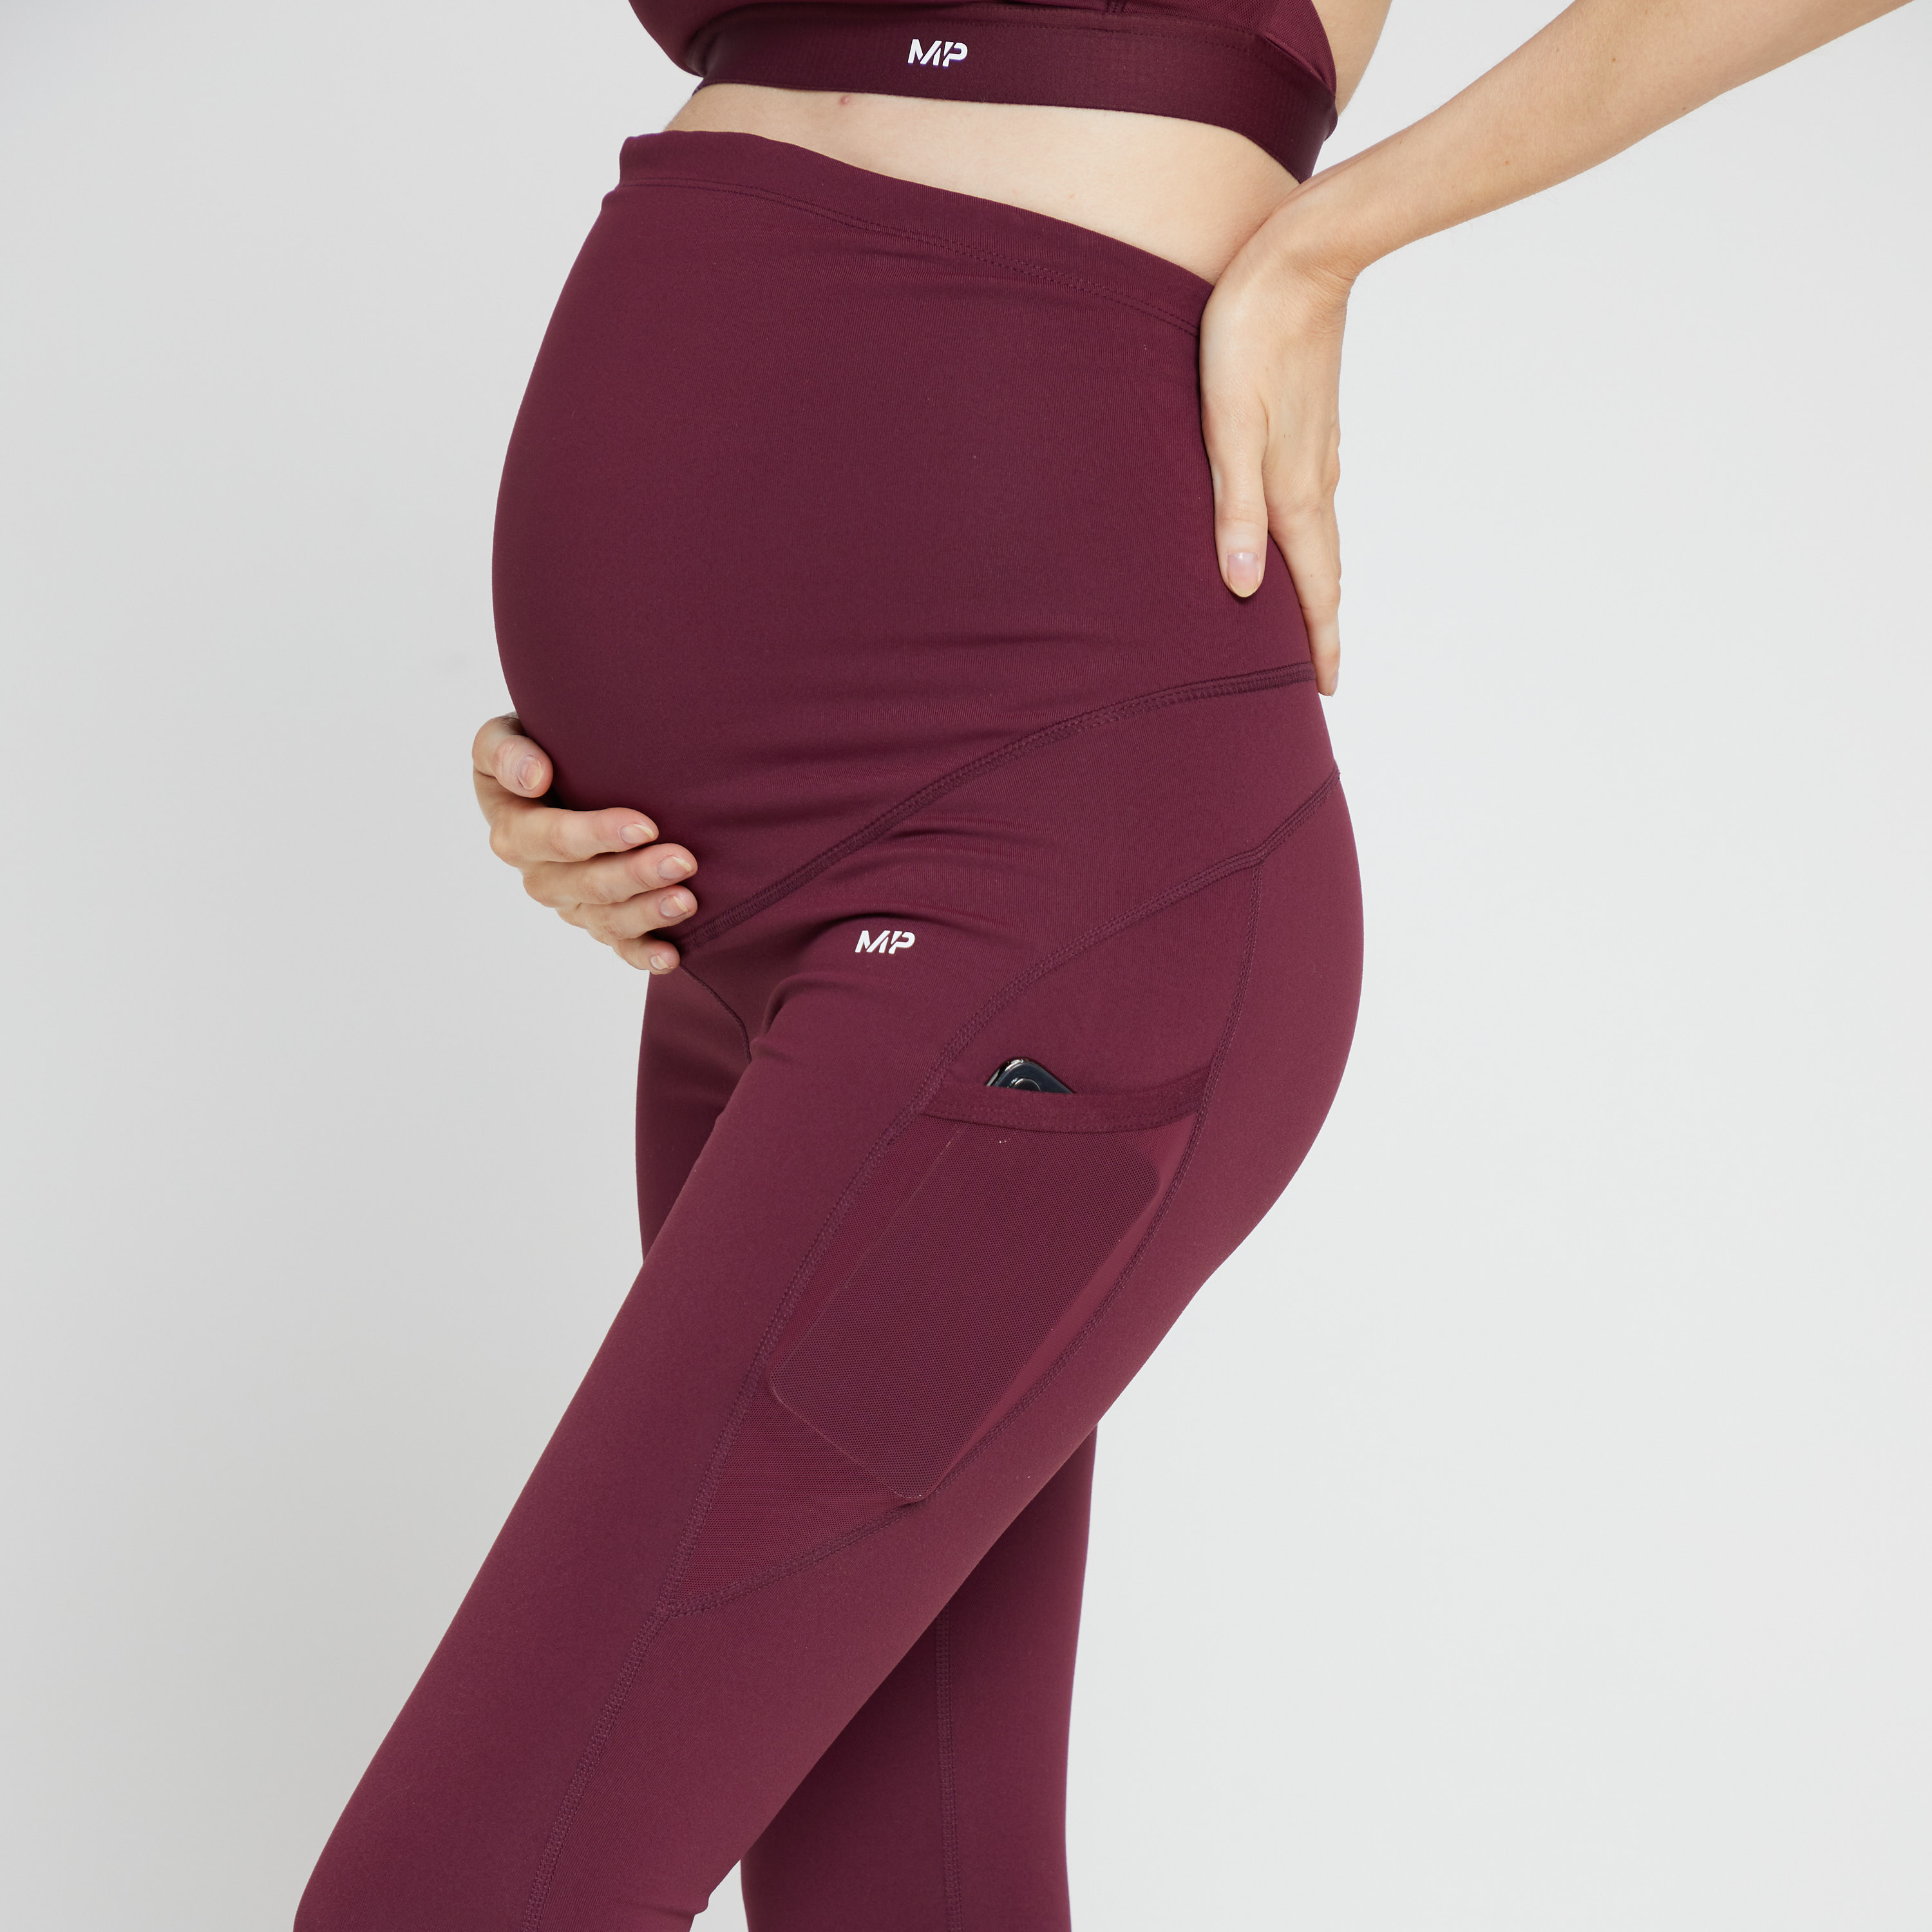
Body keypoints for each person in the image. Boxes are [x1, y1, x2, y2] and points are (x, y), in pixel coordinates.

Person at [298, 0, 1907, 1926]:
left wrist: (1331, 238)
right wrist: (606, 722)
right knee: (909, 1889)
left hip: (1039, 914)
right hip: (729, 946)